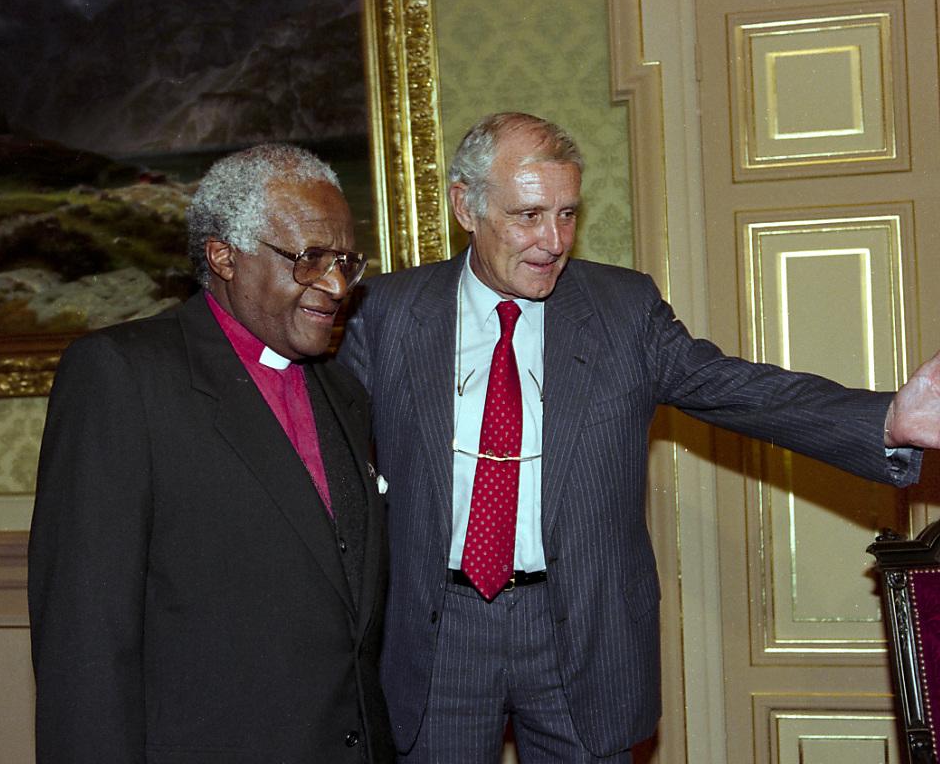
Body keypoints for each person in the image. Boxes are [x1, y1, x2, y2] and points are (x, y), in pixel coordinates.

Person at [338, 111, 940, 763]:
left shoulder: (621, 310)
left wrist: (886, 420)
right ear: (466, 206)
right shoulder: (387, 314)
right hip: (438, 634)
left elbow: (736, 388)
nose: (552, 241)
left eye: (567, 214)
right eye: (528, 216)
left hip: (582, 632)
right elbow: (321, 454)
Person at [28, 144, 394, 763]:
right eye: (309, 260)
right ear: (224, 256)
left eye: (345, 262)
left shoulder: (344, 392)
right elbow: (84, 636)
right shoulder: (123, 376)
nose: (335, 287)